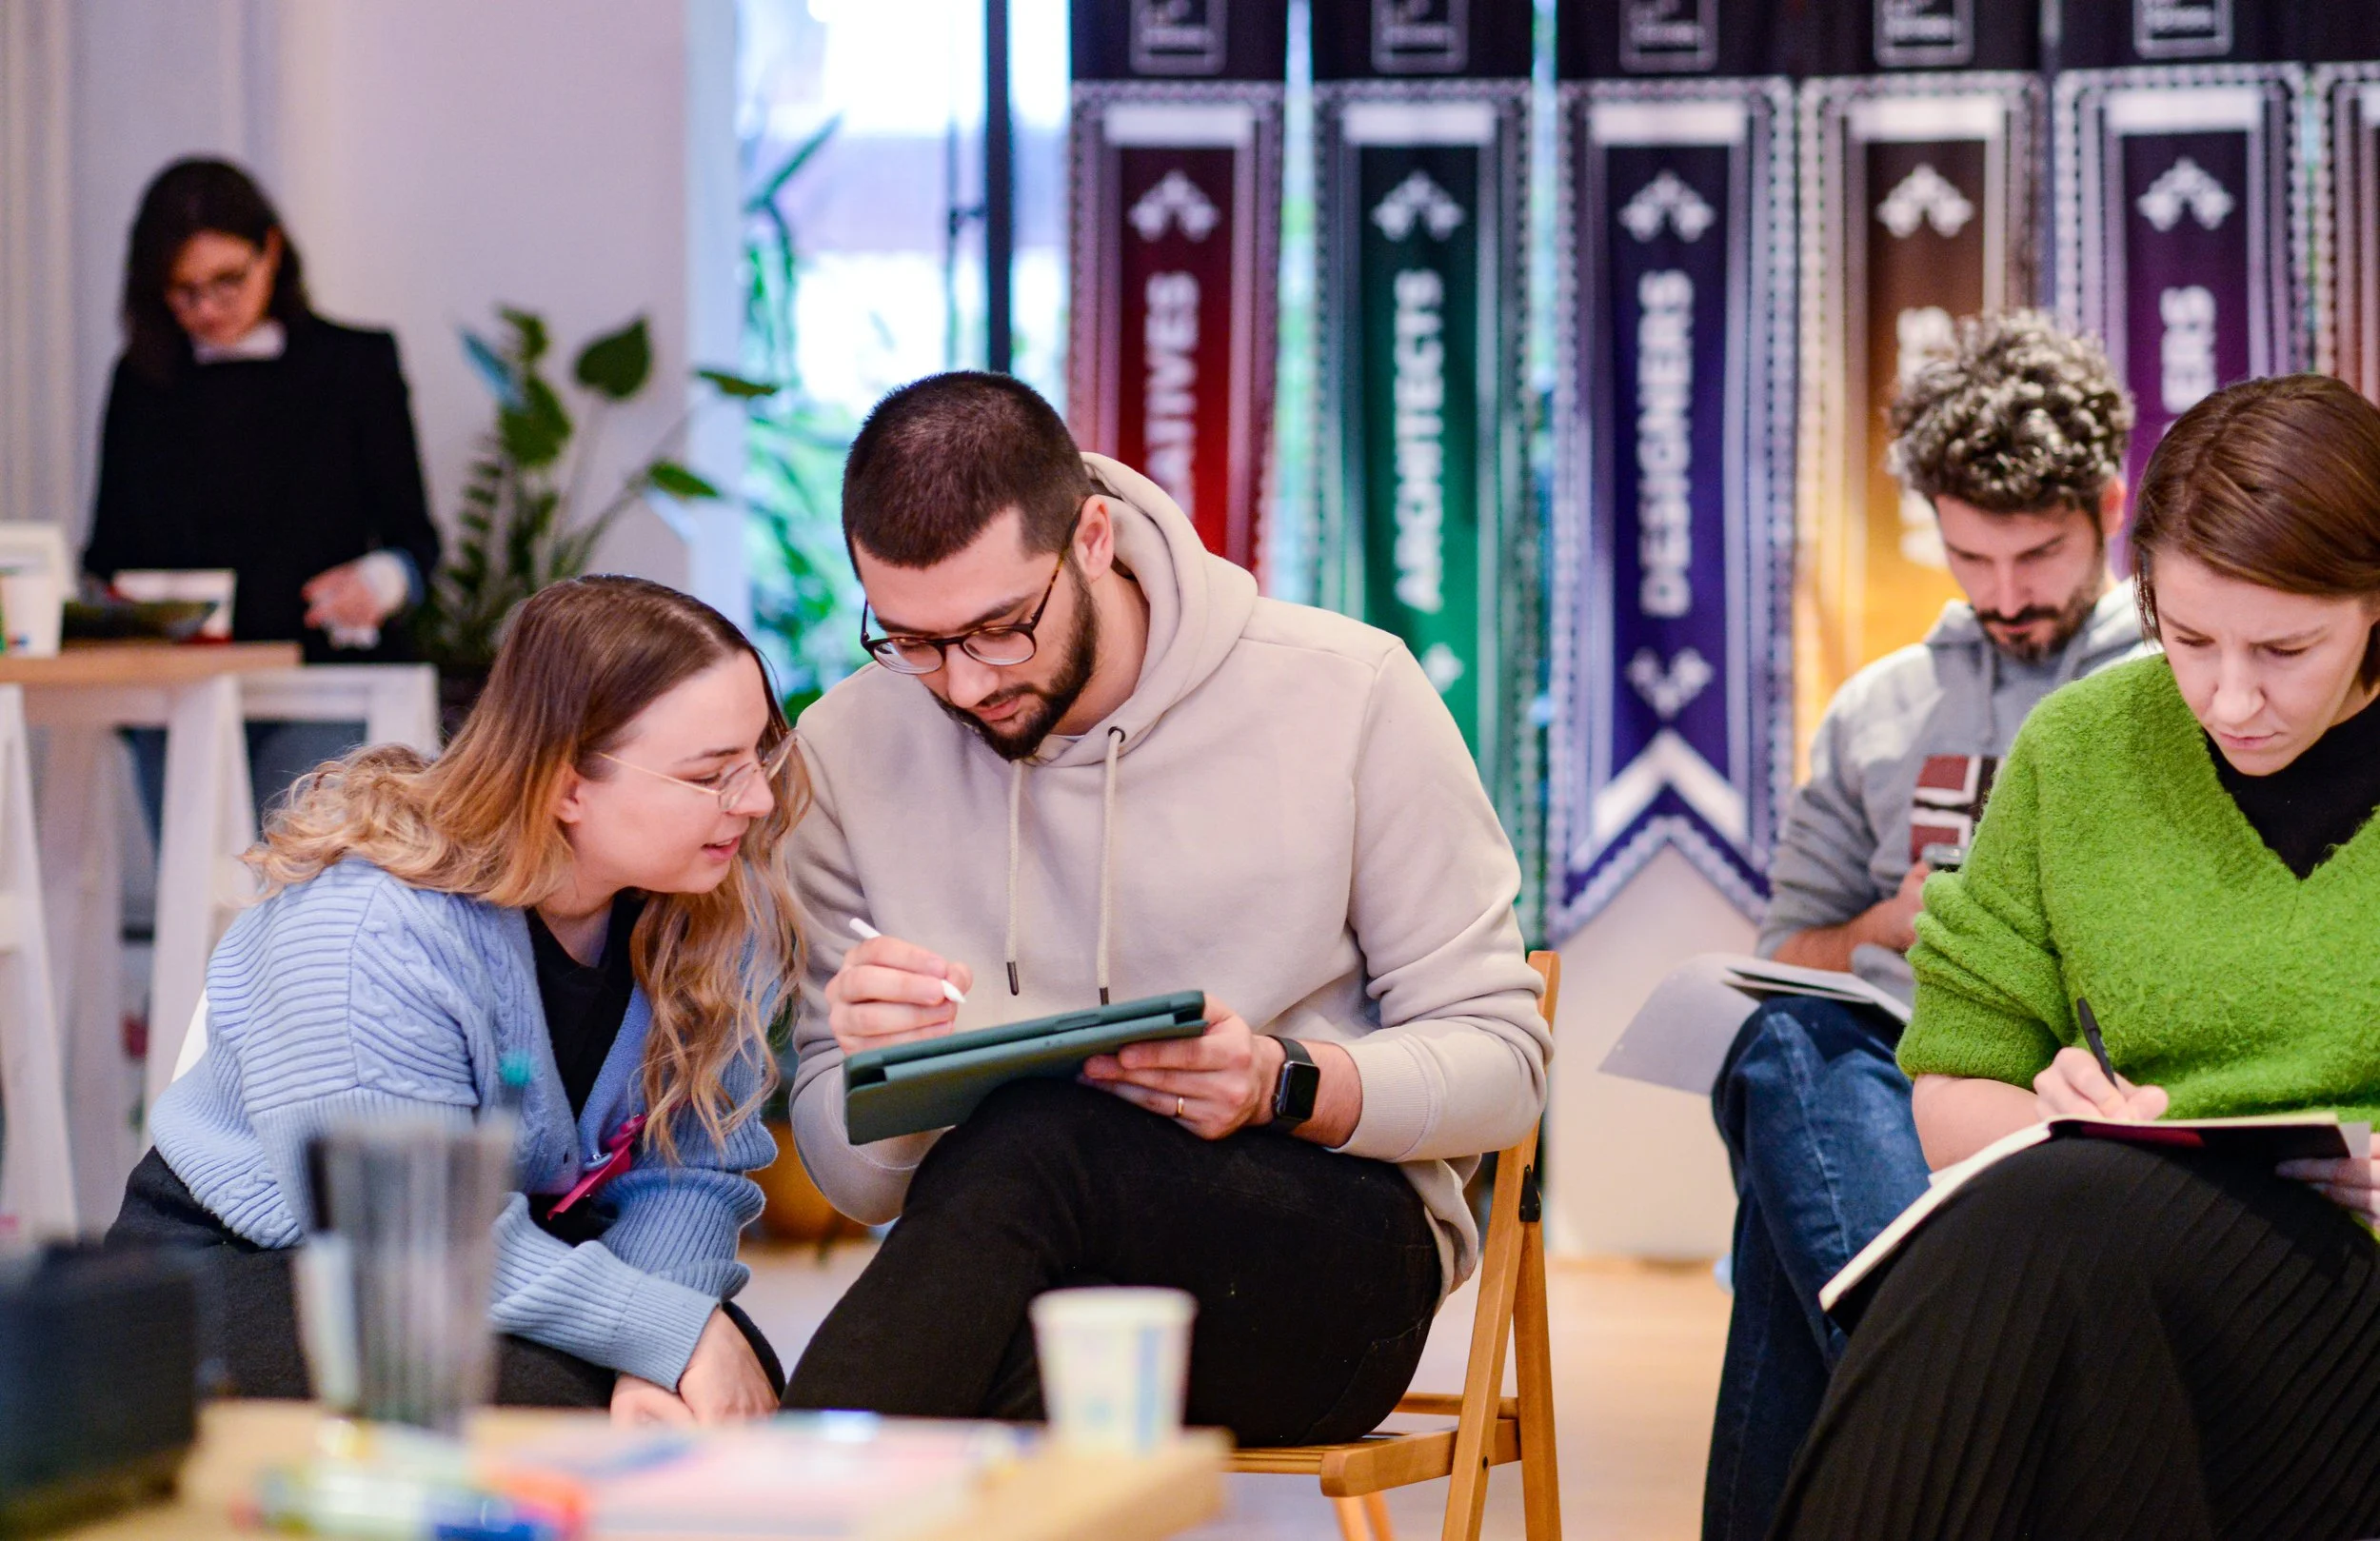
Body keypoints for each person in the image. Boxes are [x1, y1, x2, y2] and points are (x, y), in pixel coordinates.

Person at [780, 371, 1548, 1444]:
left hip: (1318, 1266)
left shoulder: (1347, 690)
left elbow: (1507, 1070)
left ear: (1091, 535)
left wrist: (1284, 1080)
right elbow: (861, 1186)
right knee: (973, 1348)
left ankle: (765, 1493)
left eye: (999, 628)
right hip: (1024, 1274)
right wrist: (876, 1076)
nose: (959, 684)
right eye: (910, 640)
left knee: (1036, 1143)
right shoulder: (845, 752)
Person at [1771, 372, 2380, 1540]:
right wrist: (2043, 1121)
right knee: (2058, 1222)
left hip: (2344, 1302)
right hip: (2122, 1270)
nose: (2230, 694)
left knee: (2051, 1250)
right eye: (2188, 636)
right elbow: (1950, 1081)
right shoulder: (2084, 747)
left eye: (2285, 648)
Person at [109, 576, 797, 1424]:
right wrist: (669, 1332)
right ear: (565, 784)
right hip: (275, 1259)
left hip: (511, 1249)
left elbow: (687, 1177)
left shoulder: (712, 905)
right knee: (551, 1407)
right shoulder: (367, 929)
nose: (756, 801)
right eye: (711, 775)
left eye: (759, 756)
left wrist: (658, 1352)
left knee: (724, 1387)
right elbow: (401, 1227)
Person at [1702, 312, 2145, 1541]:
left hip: (2073, 1091)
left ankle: (1934, 1393)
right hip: (1884, 1088)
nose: (2005, 595)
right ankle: (1962, 1393)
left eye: (2039, 554)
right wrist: (1892, 920)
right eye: (1970, 556)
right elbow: (1781, 951)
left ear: (2109, 504)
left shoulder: (2177, 682)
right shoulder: (1877, 711)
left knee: (1787, 1240)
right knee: (1786, 1041)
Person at [85, 158, 442, 819]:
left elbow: (415, 542)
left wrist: (377, 582)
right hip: (180, 689)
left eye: (227, 281)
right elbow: (107, 551)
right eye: (183, 291)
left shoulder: (354, 365)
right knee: (196, 894)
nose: (207, 309)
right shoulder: (143, 384)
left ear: (270, 252)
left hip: (320, 678)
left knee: (298, 878)